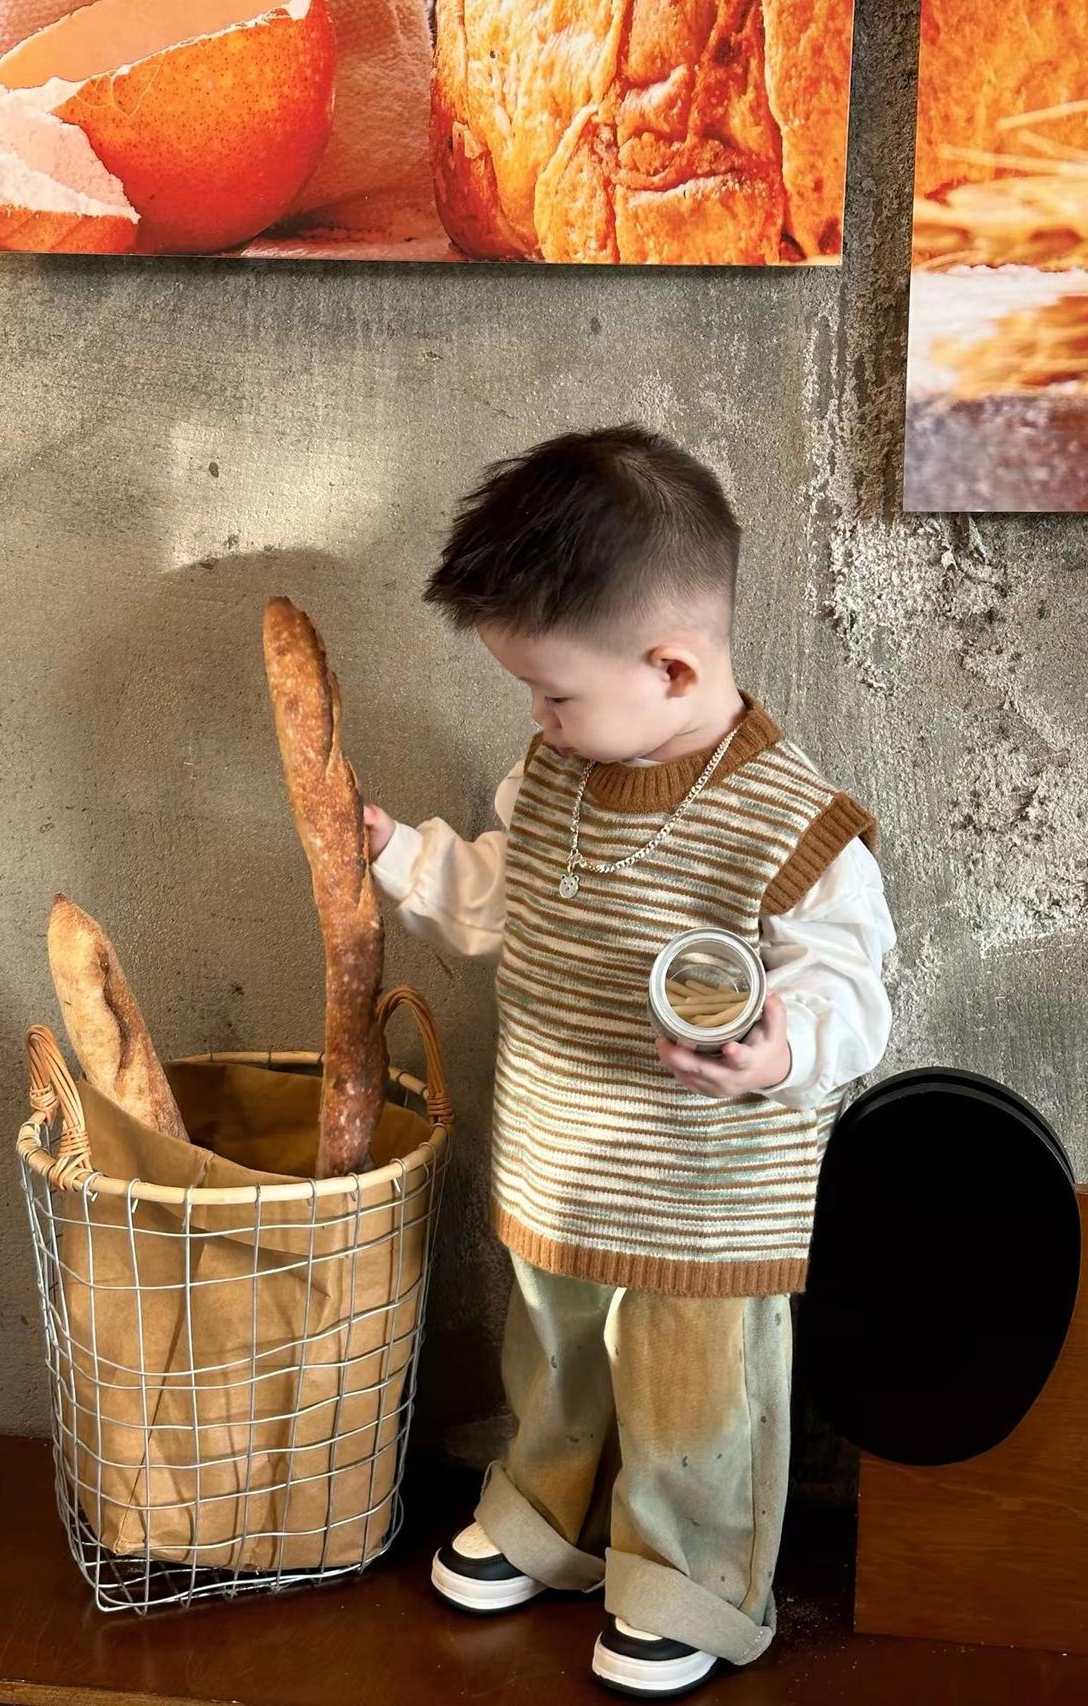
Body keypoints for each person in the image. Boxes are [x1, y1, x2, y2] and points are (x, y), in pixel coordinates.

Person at [363, 424, 896, 1698]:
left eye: (555, 694)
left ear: (671, 666)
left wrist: (781, 1045)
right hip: (560, 1160)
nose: (537, 720)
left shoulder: (789, 823)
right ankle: (543, 1516)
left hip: (704, 1196)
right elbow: (506, 898)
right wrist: (397, 856)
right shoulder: (557, 772)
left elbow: (852, 987)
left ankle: (686, 1576)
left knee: (693, 1397)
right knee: (551, 1357)